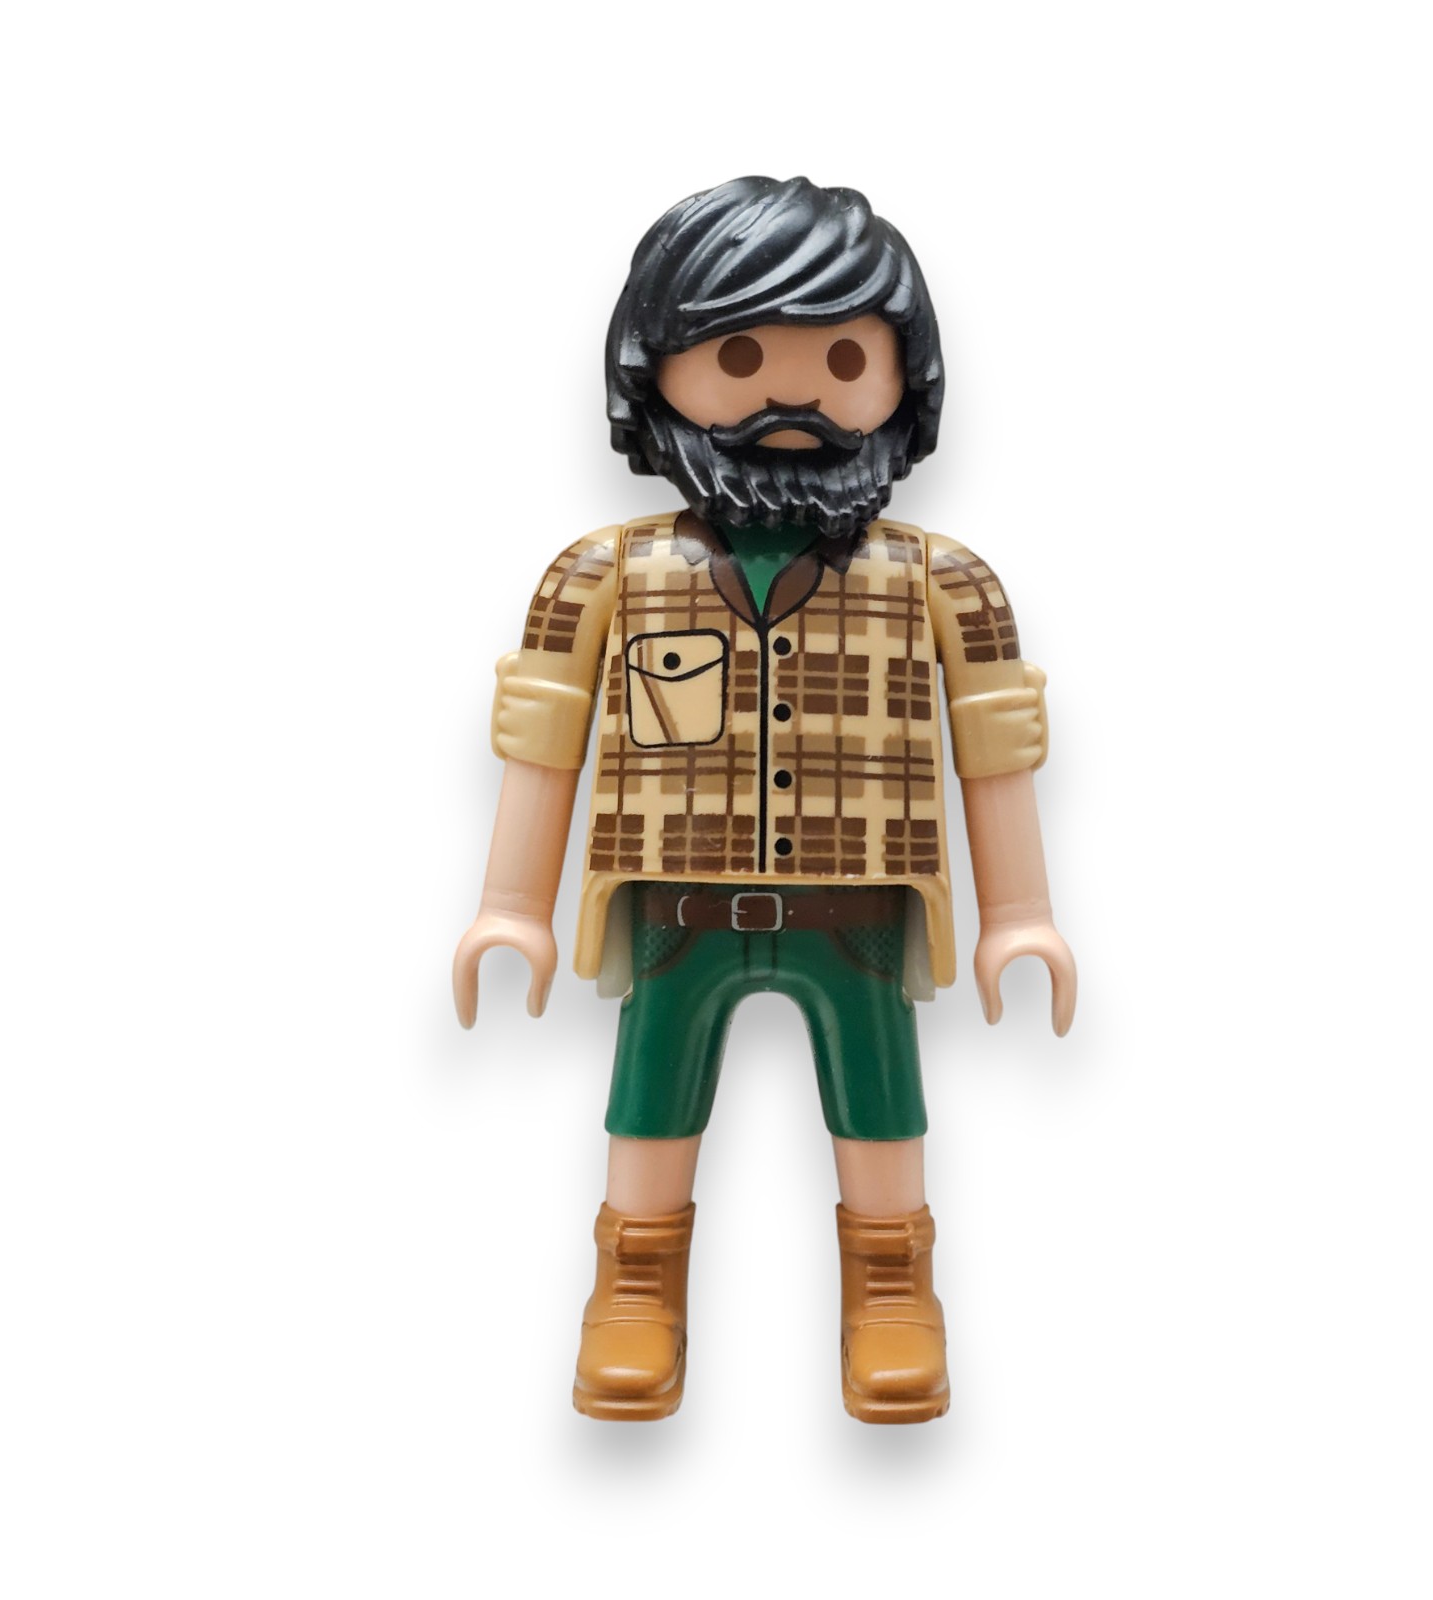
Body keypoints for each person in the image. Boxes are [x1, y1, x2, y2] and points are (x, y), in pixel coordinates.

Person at [453, 176, 1076, 1423]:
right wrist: (510, 903)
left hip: (862, 908)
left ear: (904, 379)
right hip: (673, 903)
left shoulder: (944, 580)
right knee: (650, 1093)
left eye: (843, 358)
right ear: (656, 369)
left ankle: (892, 1285)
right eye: (738, 356)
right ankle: (634, 1281)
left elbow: (993, 746)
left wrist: (1020, 915)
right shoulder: (602, 574)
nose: (794, 394)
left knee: (881, 1097)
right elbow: (545, 735)